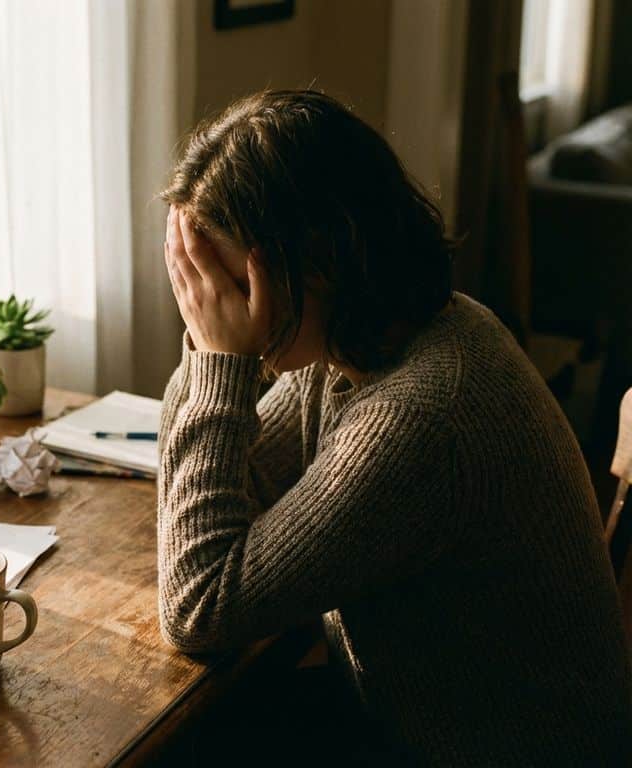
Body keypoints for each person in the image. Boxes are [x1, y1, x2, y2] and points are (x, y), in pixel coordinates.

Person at [156, 90, 632, 765]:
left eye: (231, 281)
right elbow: (245, 473)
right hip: (401, 723)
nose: (220, 306)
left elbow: (198, 606)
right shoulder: (366, 339)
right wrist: (210, 359)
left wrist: (216, 363)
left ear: (318, 259)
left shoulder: (421, 415)